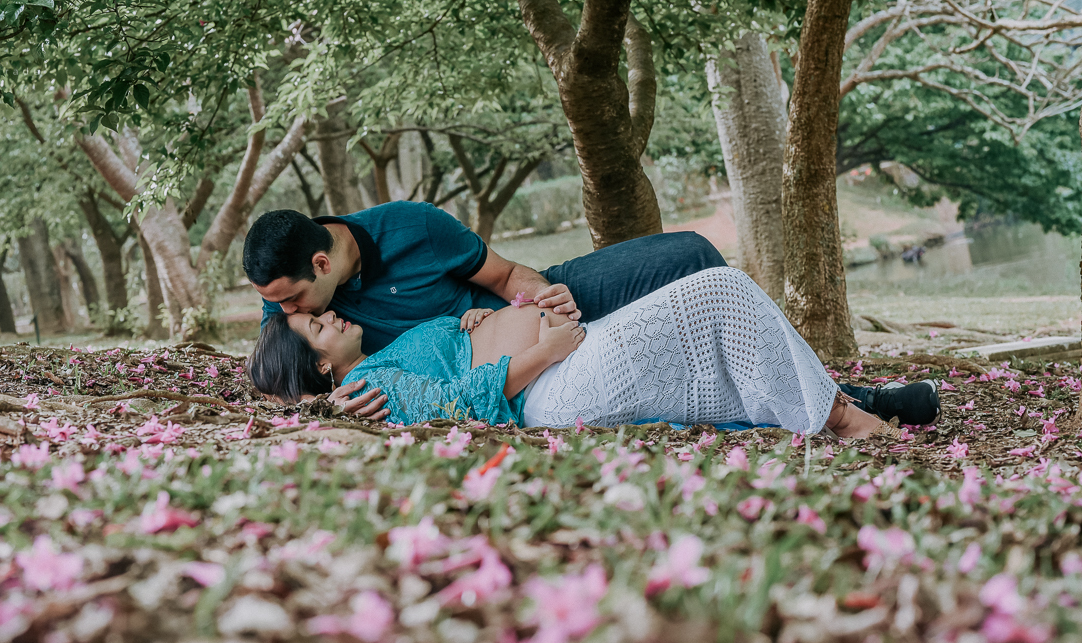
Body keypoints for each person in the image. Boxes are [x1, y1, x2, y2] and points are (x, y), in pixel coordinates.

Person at [241, 202, 940, 426]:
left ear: (322, 265)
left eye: (290, 297)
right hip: (526, 368)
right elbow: (306, 368)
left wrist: (543, 299)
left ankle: (825, 389)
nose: (284, 308)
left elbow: (508, 273)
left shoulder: (412, 227)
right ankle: (851, 402)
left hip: (539, 304)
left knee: (694, 253)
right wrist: (324, 405)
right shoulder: (333, 328)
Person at [249, 266, 905, 440]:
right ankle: (842, 415)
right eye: (317, 330)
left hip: (561, 362)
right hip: (553, 386)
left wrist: (484, 317)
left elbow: (457, 354)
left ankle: (834, 403)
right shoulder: (370, 386)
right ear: (323, 368)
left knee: (715, 310)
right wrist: (550, 343)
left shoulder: (387, 357)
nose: (329, 316)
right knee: (719, 289)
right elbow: (462, 402)